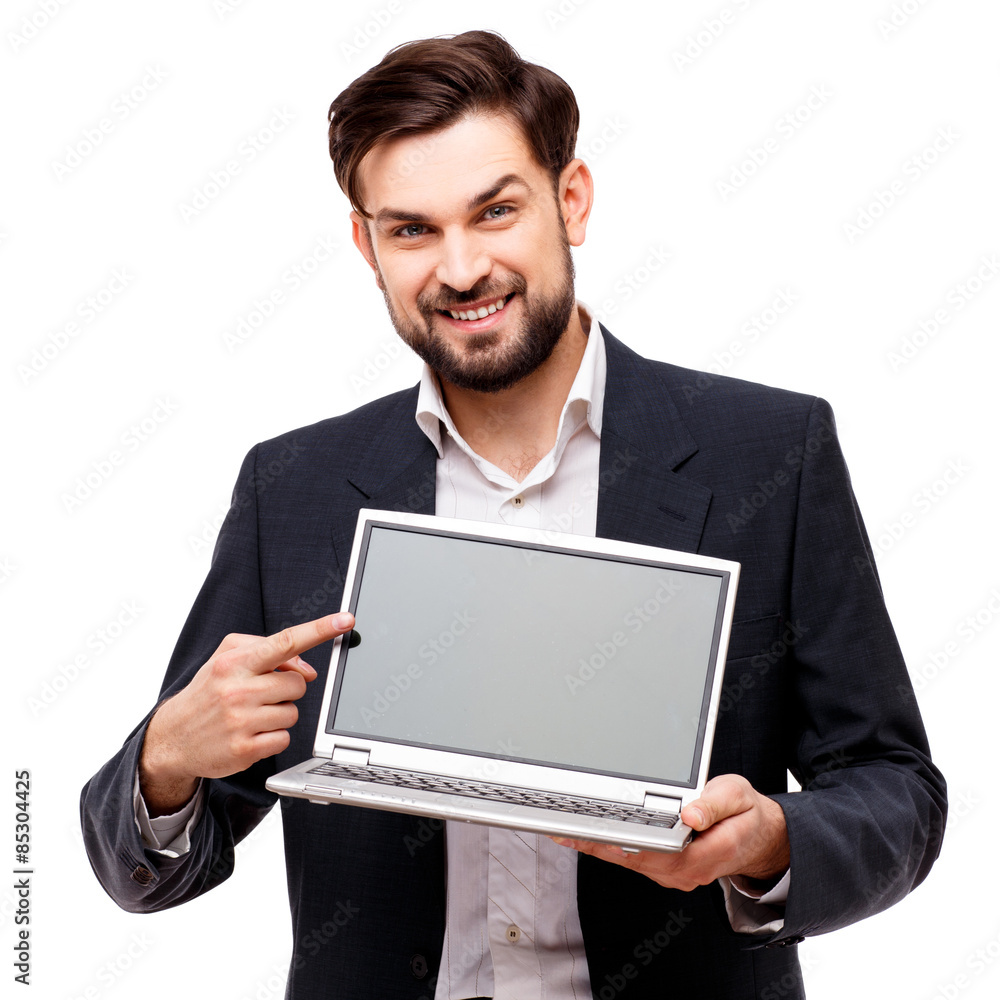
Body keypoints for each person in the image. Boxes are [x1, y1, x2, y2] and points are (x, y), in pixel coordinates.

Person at [81, 30, 946, 999]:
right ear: (366, 245)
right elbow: (140, 863)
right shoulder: (295, 487)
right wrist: (165, 757)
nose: (459, 269)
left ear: (569, 200)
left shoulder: (770, 456)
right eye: (411, 229)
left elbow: (896, 790)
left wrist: (771, 841)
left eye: (494, 211)